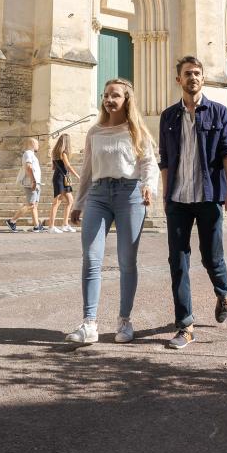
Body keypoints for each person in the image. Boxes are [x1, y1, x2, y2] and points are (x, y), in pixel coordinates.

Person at [66, 78, 158, 346]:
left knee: (127, 261)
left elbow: (149, 163)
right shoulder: (94, 132)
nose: (109, 99)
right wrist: (78, 202)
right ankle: (89, 324)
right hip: (98, 195)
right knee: (91, 258)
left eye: (115, 95)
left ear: (126, 99)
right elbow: (86, 171)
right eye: (106, 95)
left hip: (129, 195)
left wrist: (148, 186)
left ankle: (125, 320)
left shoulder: (135, 129)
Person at [159, 56, 227, 351]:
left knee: (211, 257)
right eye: (187, 74)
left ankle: (224, 291)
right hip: (178, 200)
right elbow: (165, 160)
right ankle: (185, 325)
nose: (192, 77)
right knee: (178, 263)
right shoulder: (168, 117)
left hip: (208, 197)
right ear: (178, 79)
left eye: (197, 73)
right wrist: (166, 196)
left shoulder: (219, 113)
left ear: (203, 79)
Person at [5, 138, 44, 232]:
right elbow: (29, 167)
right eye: (37, 144)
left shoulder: (32, 155)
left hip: (36, 182)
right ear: (33, 144)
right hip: (31, 182)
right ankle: (12, 221)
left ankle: (36, 226)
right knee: (31, 204)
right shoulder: (28, 153)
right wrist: (33, 181)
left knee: (34, 205)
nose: (38, 146)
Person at [47, 134, 79, 234]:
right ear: (67, 143)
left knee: (70, 200)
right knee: (57, 202)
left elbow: (53, 167)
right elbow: (68, 166)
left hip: (61, 177)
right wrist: (78, 176)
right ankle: (51, 227)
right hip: (60, 178)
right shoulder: (63, 153)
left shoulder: (54, 153)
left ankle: (65, 224)